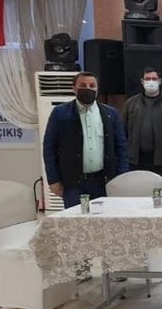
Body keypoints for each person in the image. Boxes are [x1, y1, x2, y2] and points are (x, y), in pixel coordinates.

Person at [43, 71, 128, 209]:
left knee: (103, 219)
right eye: (83, 85)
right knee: (75, 220)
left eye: (92, 85)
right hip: (72, 183)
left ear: (97, 89)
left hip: (103, 182)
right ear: (74, 89)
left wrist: (121, 176)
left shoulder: (111, 114)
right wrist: (53, 180)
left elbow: (121, 147)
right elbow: (49, 148)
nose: (88, 88)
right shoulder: (60, 113)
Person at [123, 67, 162, 196]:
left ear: (159, 81)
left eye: (154, 79)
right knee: (139, 193)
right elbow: (122, 132)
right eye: (147, 79)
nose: (151, 82)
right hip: (136, 159)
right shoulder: (131, 103)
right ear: (142, 81)